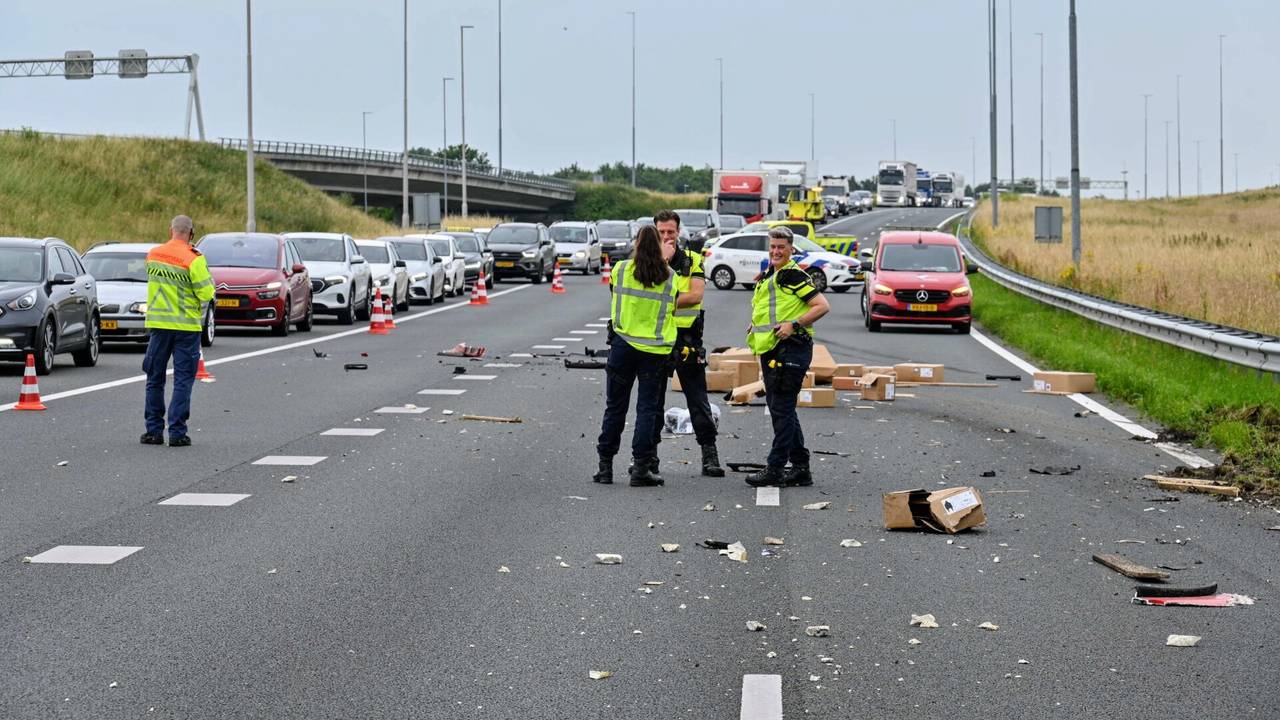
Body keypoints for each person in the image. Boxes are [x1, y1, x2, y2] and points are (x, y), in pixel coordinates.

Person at [594, 224, 679, 487]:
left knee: (615, 407)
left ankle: (605, 467)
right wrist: (665, 261)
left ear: (636, 244)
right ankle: (641, 468)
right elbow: (673, 305)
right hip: (654, 350)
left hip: (623, 346)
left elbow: (614, 292)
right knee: (647, 410)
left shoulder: (620, 270)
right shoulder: (670, 276)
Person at [745, 226, 830, 487]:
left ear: (791, 249)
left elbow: (822, 306)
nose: (776, 251)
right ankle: (801, 468)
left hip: (790, 348)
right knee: (782, 409)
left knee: (781, 410)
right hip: (773, 349)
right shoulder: (771, 275)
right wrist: (755, 324)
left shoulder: (793, 275)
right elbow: (773, 308)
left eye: (781, 247)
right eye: (772, 246)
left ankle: (775, 468)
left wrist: (794, 324)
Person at [651, 209, 724, 477]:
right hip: (657, 338)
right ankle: (648, 456)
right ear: (654, 232)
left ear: (678, 232)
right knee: (652, 401)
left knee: (697, 399)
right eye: (661, 232)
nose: (666, 236)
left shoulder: (692, 259)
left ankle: (709, 454)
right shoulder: (648, 262)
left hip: (687, 339)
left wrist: (660, 301)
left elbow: (695, 295)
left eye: (671, 231)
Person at [141, 215, 215, 447]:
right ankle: (177, 433)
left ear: (170, 230)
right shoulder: (194, 259)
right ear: (191, 233)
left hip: (159, 326)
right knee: (183, 380)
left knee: (155, 378)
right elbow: (206, 293)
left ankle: (153, 432)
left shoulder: (153, 255)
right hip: (186, 328)